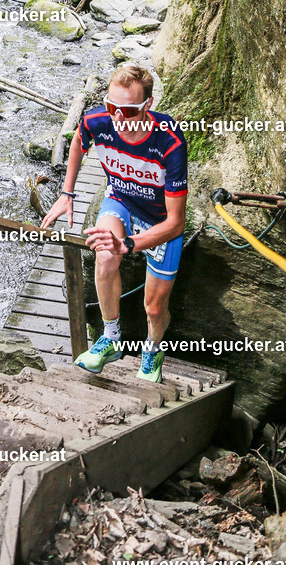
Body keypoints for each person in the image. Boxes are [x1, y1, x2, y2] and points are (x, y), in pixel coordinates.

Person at [41, 63, 187, 383]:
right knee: (106, 258)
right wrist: (67, 193)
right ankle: (111, 338)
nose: (118, 117)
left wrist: (130, 244)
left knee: (153, 308)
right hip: (120, 199)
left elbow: (177, 223)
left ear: (148, 106)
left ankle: (152, 351)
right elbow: (79, 140)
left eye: (129, 110)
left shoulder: (170, 142)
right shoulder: (98, 120)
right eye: (112, 106)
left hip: (159, 221)